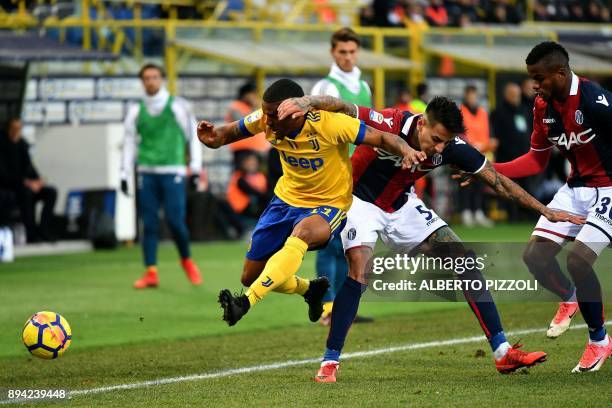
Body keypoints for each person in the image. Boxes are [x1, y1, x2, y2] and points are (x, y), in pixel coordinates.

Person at [277, 93, 583, 382]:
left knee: (464, 260)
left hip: (402, 204)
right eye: (436, 139)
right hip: (358, 201)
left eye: (446, 142)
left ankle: (503, 352)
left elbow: (498, 182)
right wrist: (305, 102)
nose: (439, 148)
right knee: (360, 269)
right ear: (422, 123)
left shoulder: (451, 147)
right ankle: (329, 362)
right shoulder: (391, 122)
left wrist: (547, 211)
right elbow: (342, 107)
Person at [197, 78, 422, 327]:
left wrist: (406, 150)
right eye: (266, 114)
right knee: (251, 276)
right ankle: (309, 290)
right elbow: (227, 133)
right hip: (285, 201)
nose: (267, 122)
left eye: (273, 116)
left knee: (302, 234)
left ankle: (246, 303)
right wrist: (212, 138)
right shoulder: (266, 118)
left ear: (294, 114)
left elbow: (381, 138)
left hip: (329, 203)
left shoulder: (331, 124)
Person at [491, 41, 612, 372]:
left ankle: (599, 341)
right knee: (535, 256)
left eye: (539, 78)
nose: (534, 85)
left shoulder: (595, 101)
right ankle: (570, 297)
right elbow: (535, 161)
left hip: (609, 190)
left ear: (560, 73)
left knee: (578, 260)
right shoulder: (542, 106)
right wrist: (490, 170)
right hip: (575, 190)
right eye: (532, 78)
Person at [311, 26, 373, 325]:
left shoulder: (364, 86)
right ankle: (326, 306)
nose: (347, 57)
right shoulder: (327, 86)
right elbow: (322, 132)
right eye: (342, 52)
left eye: (351, 51)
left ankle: (342, 307)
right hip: (332, 174)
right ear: (333, 53)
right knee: (330, 241)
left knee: (349, 241)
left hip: (355, 173)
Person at [121, 63, 202, 289]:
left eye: (155, 77)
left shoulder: (178, 106)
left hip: (173, 171)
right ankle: (151, 272)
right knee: (149, 223)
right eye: (146, 78)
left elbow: (192, 137)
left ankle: (186, 259)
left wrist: (195, 168)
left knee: (176, 222)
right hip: (147, 172)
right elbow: (128, 143)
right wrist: (124, 173)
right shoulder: (136, 110)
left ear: (162, 79)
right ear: (142, 81)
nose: (151, 81)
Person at [0, 118, 57, 243]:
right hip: (11, 187)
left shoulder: (22, 145)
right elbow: (3, 175)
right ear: (8, 129)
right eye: (14, 128)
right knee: (26, 193)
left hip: (27, 185)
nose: (17, 131)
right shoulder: (2, 145)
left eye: (19, 128)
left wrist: (39, 181)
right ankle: (31, 234)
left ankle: (44, 230)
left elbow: (30, 168)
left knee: (51, 192)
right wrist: (26, 182)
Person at [490, 82, 533, 221]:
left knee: (526, 187)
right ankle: (512, 215)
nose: (517, 98)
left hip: (524, 157)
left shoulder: (524, 110)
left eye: (518, 95)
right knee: (509, 187)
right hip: (507, 158)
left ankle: (527, 214)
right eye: (514, 95)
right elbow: (495, 135)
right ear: (507, 95)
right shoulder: (498, 112)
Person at [459, 85, 494, 227]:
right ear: (466, 96)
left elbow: (488, 134)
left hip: (482, 153)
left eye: (474, 96)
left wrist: (484, 145)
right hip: (465, 152)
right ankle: (466, 212)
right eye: (470, 96)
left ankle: (478, 212)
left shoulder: (482, 113)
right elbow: (459, 133)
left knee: (479, 185)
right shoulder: (460, 112)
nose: (472, 99)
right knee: (466, 183)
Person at [225, 82, 269, 167]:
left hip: (258, 151)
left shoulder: (252, 108)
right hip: (244, 151)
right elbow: (245, 123)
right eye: (252, 94)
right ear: (245, 94)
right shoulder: (236, 106)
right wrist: (256, 107)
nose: (255, 97)